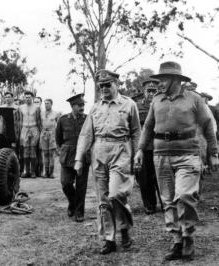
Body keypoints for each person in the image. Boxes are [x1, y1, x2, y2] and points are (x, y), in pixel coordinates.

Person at [134, 61, 219, 261]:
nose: (159, 83)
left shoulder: (195, 100)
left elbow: (207, 126)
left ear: (176, 80)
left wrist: (213, 154)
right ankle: (177, 240)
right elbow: (147, 127)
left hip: (188, 154)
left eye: (163, 79)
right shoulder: (156, 100)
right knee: (168, 200)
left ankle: (188, 235)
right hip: (160, 156)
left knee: (184, 195)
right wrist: (139, 150)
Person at [74, 70, 141, 255]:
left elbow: (136, 132)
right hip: (99, 153)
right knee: (103, 200)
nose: (104, 88)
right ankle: (109, 238)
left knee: (116, 194)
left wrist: (138, 155)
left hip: (121, 151)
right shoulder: (95, 108)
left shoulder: (129, 104)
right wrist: (79, 159)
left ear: (116, 85)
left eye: (107, 85)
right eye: (101, 86)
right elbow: (86, 134)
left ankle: (124, 228)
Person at [55, 93, 90, 223]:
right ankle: (73, 202)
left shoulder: (88, 119)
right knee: (65, 183)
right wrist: (60, 151)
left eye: (83, 105)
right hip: (67, 156)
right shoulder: (63, 119)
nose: (82, 107)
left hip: (82, 157)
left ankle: (79, 212)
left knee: (81, 186)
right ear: (72, 106)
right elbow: (58, 138)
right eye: (79, 105)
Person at [135, 78, 160, 215]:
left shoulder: (162, 104)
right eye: (148, 91)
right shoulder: (137, 107)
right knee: (144, 178)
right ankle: (149, 204)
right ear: (144, 92)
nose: (151, 94)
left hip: (160, 146)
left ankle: (165, 202)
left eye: (154, 91)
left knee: (160, 176)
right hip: (143, 148)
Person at [18, 91, 42, 178]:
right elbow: (20, 120)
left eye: (29, 97)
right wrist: (20, 132)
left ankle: (33, 172)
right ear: (24, 98)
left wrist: (40, 132)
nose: (27, 99)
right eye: (26, 97)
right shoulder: (21, 107)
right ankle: (26, 171)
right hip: (24, 128)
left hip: (34, 128)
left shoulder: (36, 107)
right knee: (25, 150)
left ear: (32, 97)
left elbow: (39, 121)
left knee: (33, 150)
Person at [39, 99, 60, 178]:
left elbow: (58, 125)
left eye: (48, 103)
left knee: (51, 154)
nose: (46, 105)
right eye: (45, 103)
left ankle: (51, 173)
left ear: (51, 104)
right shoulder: (42, 113)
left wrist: (56, 135)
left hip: (52, 134)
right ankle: (46, 172)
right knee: (45, 154)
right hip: (44, 133)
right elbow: (40, 123)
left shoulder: (55, 113)